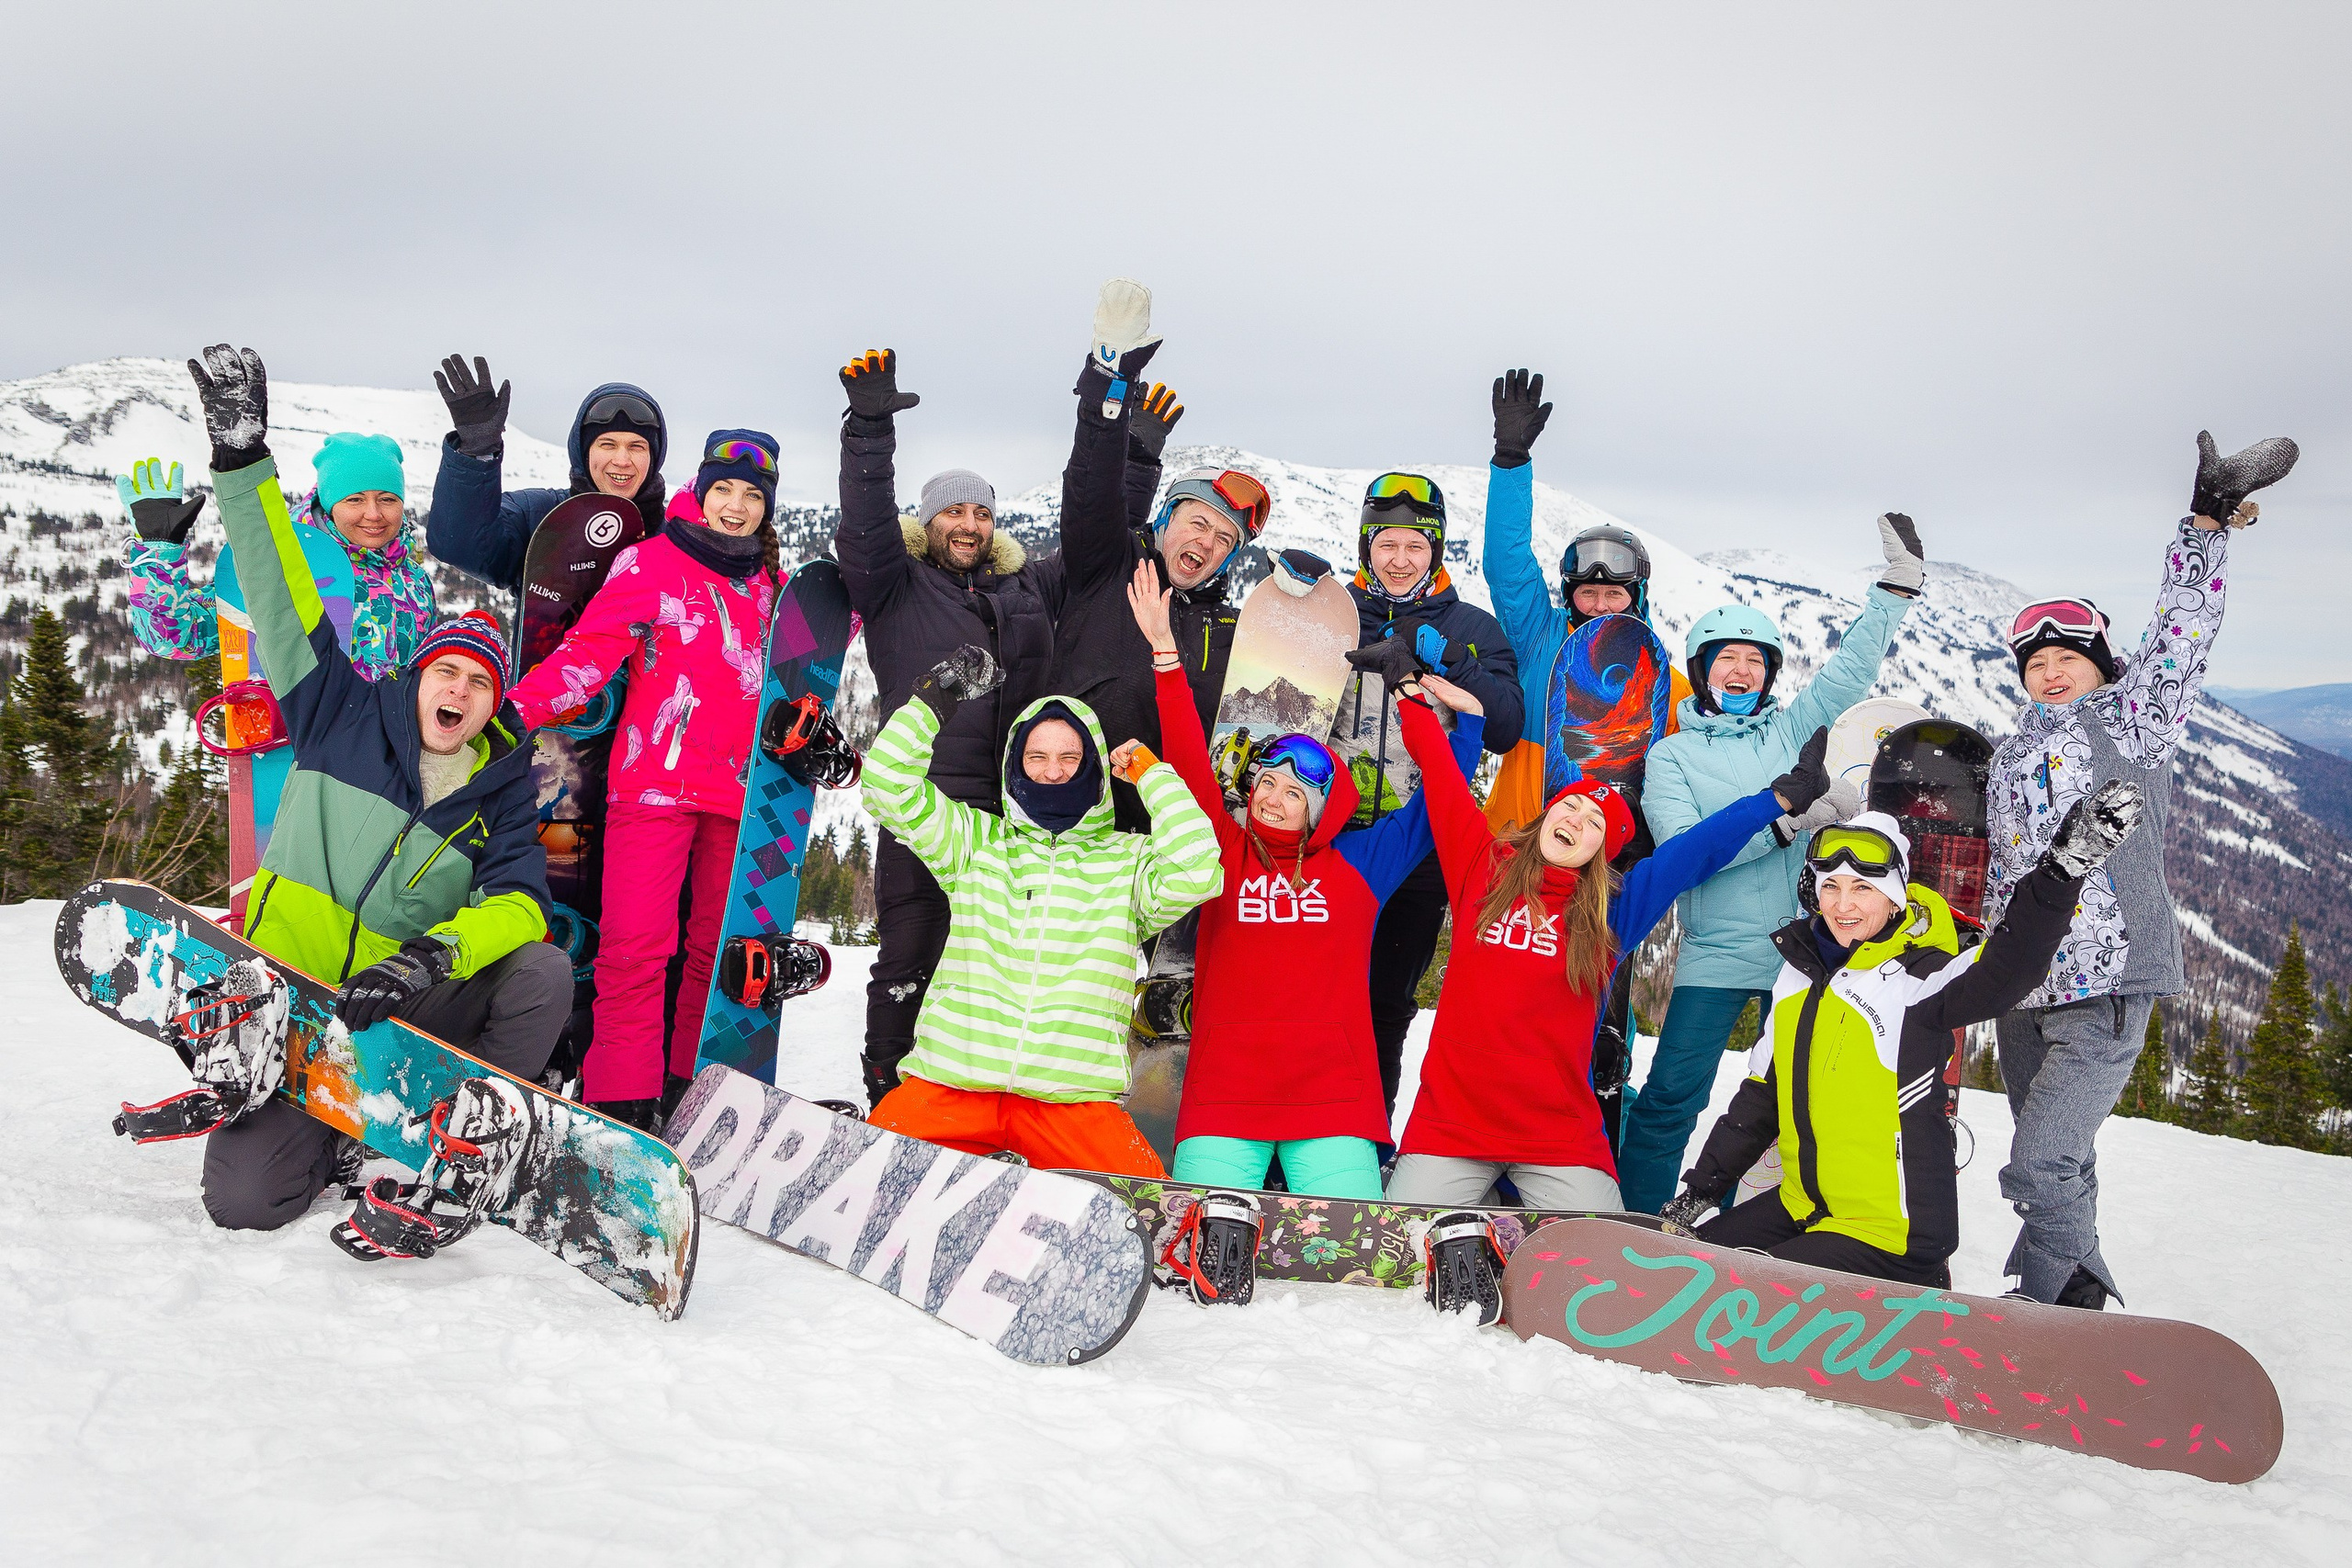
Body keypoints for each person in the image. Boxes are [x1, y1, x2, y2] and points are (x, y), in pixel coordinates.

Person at [181, 344, 566, 1231]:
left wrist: (433, 954)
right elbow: (276, 591)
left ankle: (471, 1124)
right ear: (417, 680)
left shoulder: (499, 789)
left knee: (541, 971)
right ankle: (338, 1136)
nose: (461, 693)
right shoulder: (337, 711)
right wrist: (243, 462)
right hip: (301, 1007)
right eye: (448, 675)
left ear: (492, 705)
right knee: (244, 1201)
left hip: (402, 1015)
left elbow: (519, 906)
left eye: (481, 685)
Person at [1985, 430, 2295, 1308]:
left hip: (2108, 983)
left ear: (2100, 667)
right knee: (2062, 1156)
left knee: (2036, 1158)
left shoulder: (2131, 722)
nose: (2050, 674)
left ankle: (2073, 1296)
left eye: (2067, 660)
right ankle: (2059, 1299)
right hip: (2022, 988)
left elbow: (2181, 636)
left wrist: (2205, 525)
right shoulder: (2010, 756)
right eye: (2036, 664)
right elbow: (2000, 873)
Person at [1660, 794, 2143, 1287]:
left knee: (1737, 1287)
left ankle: (1924, 1290)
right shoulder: (1798, 978)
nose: (1842, 905)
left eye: (1862, 889)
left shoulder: (1920, 980)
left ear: (1895, 898)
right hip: (1800, 1206)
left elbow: (2009, 967)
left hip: (1890, 1233)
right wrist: (1701, 1190)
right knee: (1688, 1268)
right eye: (1830, 886)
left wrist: (2060, 875)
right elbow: (1762, 1097)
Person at [1131, 560, 1484, 1199]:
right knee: (1192, 1234)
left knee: (1356, 1255)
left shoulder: (1359, 864)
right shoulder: (1224, 849)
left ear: (1322, 808)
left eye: (1292, 790)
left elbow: (1441, 808)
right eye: (1265, 781)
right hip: (1226, 1093)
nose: (1270, 797)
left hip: (1332, 1098)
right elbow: (1187, 759)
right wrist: (1163, 652)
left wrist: (1457, 724)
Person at [1389, 709, 1835, 1214]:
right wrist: (1408, 692)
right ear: (1546, 817)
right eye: (1570, 806)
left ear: (1603, 849)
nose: (1576, 819)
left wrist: (1776, 801)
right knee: (1397, 1249)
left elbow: (1694, 851)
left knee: (1600, 1258)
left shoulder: (1614, 913)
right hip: (1451, 1123)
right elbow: (1443, 780)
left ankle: (1502, 1208)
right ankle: (1495, 1202)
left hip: (1556, 1135)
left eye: (1594, 822)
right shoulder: (1481, 869)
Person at [1621, 513, 1928, 1213]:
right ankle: (1635, 1218)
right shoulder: (1671, 756)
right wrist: (1787, 820)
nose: (1741, 670)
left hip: (1804, 953)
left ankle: (1753, 1225)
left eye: (1755, 661)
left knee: (1791, 1101)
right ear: (1701, 670)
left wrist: (1894, 591)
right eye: (1727, 658)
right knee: (1673, 1095)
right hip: (1717, 952)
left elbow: (1850, 673)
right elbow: (1686, 854)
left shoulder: (1794, 730)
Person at [503, 432, 786, 1130]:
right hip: (651, 790)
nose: (737, 506)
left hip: (740, 801)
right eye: (724, 488)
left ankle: (692, 1094)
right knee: (634, 951)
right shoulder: (651, 562)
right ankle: (618, 1100)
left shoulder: (773, 588)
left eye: (753, 495)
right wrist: (509, 713)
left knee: (715, 961)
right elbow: (589, 654)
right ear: (701, 489)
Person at [857, 640, 1222, 1172]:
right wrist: (935, 701)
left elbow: (1197, 867)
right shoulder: (976, 844)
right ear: (1015, 767)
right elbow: (887, 785)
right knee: (865, 1182)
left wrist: (1151, 774)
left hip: (1071, 1103)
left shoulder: (1127, 863)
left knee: (1153, 1223)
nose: (1053, 771)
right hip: (953, 1088)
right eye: (1038, 757)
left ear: (1092, 770)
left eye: (1069, 758)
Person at [1474, 367, 1699, 1148]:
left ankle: (1587, 1131)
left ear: (1637, 601)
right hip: (1518, 847)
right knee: (1501, 1001)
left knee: (1594, 1004)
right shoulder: (1543, 646)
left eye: (1617, 597)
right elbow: (1506, 564)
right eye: (1588, 594)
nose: (1601, 607)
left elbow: (1676, 774)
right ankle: (1484, 1138)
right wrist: (1510, 463)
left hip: (1612, 865)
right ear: (1569, 595)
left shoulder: (1663, 680)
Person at [834, 347, 1057, 1106]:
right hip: (925, 808)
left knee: (993, 967)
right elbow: (864, 530)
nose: (969, 523)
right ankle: (887, 1091)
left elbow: (1097, 538)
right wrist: (869, 432)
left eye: (982, 512)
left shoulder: (1022, 587)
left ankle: (971, 1100)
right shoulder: (896, 585)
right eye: (954, 511)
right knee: (910, 955)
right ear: (928, 521)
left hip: (1010, 818)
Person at [1041, 279, 1288, 831]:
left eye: (1224, 541)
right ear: (1164, 519)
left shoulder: (1228, 628)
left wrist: (1303, 612)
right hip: (1068, 825)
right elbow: (1090, 487)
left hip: (1162, 849)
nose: (1206, 542)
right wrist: (1110, 385)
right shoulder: (1107, 566)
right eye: (1198, 523)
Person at [1337, 472, 1525, 1116]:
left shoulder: (1472, 626)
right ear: (1367, 547)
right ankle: (1300, 1130)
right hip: (1334, 841)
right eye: (1386, 544)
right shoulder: (1337, 612)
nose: (1399, 559)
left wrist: (1451, 660)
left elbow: (1506, 725)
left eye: (1415, 547)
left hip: (1422, 846)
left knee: (1388, 1002)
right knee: (1318, 995)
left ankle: (1366, 1133)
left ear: (1436, 552)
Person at [120, 435, 435, 678]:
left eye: (387, 499)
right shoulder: (284, 564)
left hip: (398, 749)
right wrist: (158, 549)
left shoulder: (414, 578)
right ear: (328, 504)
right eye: (354, 499)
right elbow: (175, 637)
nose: (373, 514)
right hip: (305, 751)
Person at [426, 354, 668, 599]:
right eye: (607, 444)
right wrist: (477, 454)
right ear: (583, 454)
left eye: (637, 447)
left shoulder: (677, 537)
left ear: (654, 457)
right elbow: (458, 545)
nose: (622, 460)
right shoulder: (537, 516)